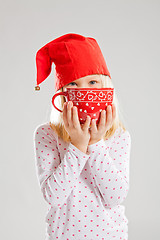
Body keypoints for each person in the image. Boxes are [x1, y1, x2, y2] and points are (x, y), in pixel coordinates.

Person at [33, 33, 131, 240]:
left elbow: (115, 197)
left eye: (93, 82)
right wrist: (77, 146)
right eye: (74, 85)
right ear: (62, 93)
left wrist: (95, 143)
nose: (84, 91)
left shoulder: (119, 135)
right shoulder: (47, 134)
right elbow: (53, 196)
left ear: (106, 88)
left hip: (112, 236)